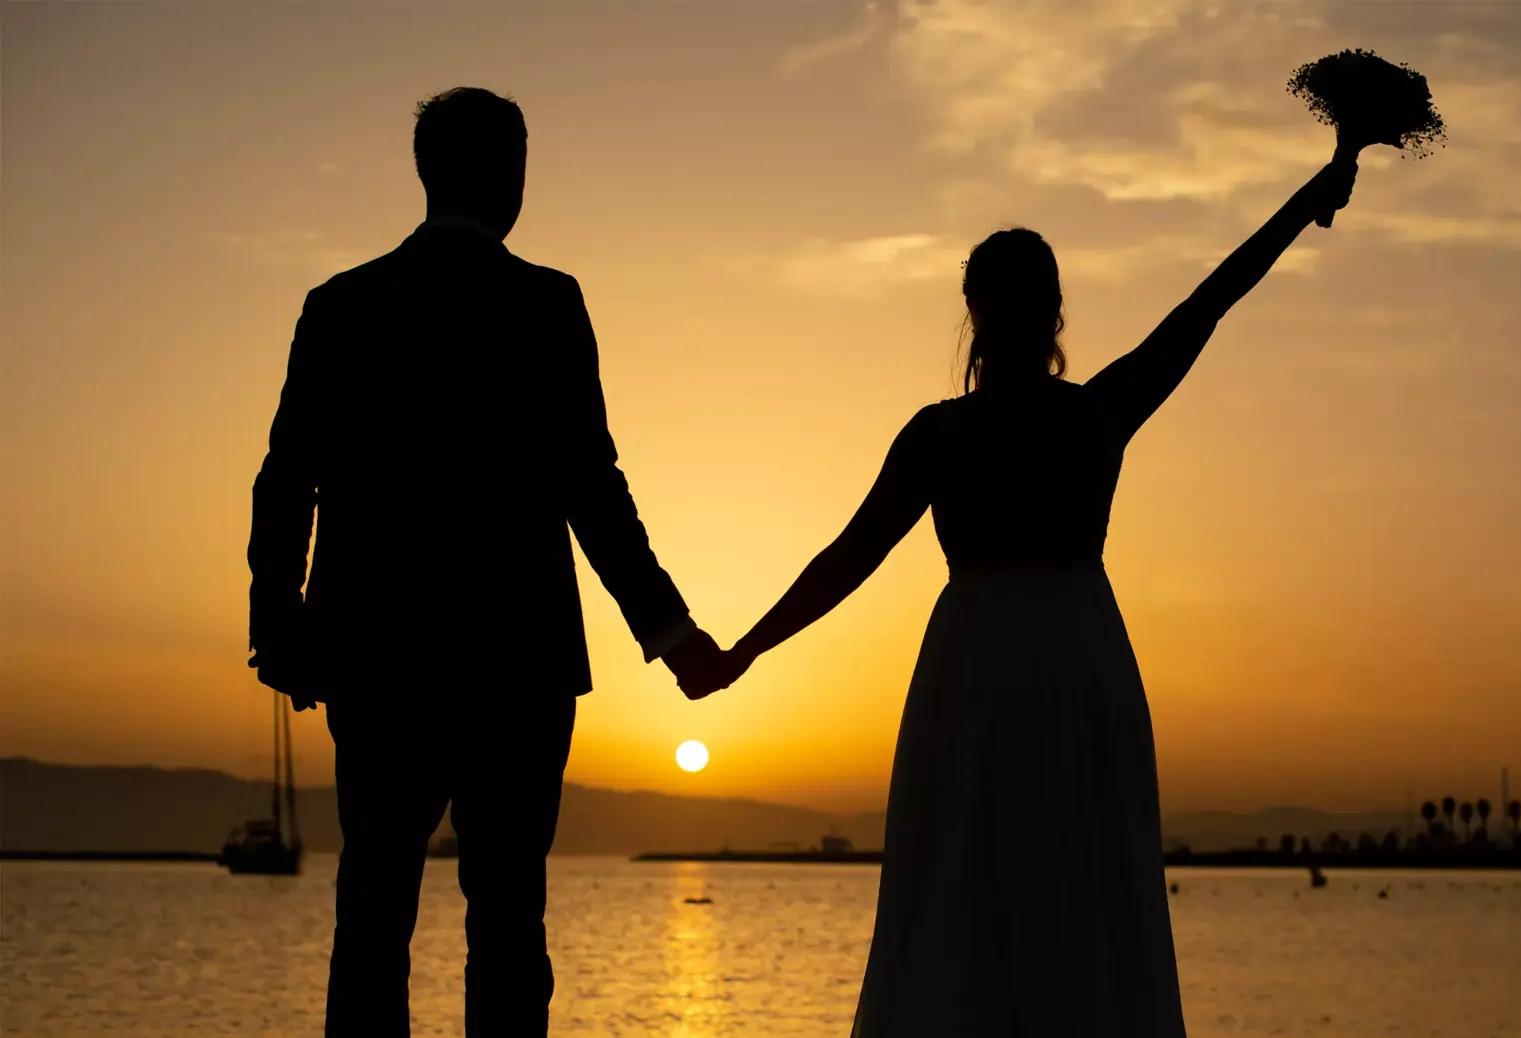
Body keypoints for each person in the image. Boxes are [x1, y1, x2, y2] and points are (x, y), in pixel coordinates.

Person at [682, 159, 1358, 1034]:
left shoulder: (958, 431)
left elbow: (848, 558)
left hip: (987, 669)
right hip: (1067, 660)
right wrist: (1307, 200)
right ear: (1053, 313)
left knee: (966, 887)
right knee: (1066, 883)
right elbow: (1210, 301)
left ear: (975, 312)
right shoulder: (1083, 416)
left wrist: (744, 651)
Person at [245, 87, 727, 1036]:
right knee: (507, 921)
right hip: (518, 664)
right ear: (511, 177)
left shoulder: (342, 306)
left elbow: (287, 479)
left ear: (427, 174)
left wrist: (281, 625)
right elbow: (593, 488)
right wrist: (672, 633)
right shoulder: (546, 304)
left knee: (372, 911)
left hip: (376, 656)